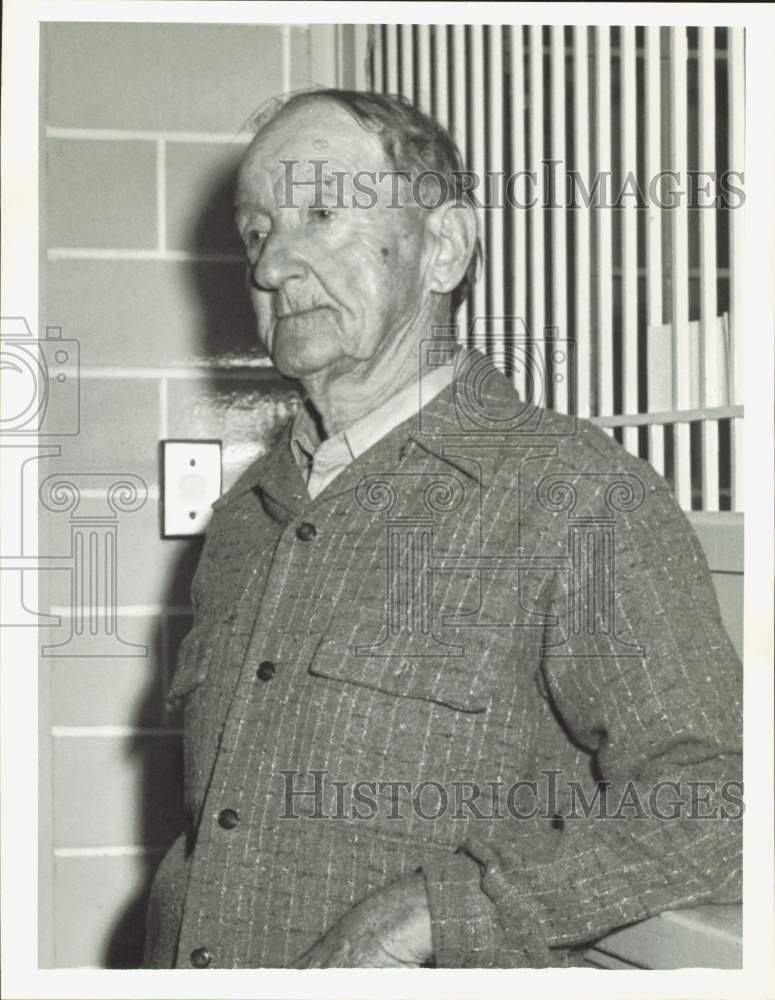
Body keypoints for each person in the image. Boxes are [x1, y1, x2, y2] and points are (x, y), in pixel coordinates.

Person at [141, 89, 742, 970]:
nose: (272, 267)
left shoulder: (573, 495)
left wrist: (440, 910)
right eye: (257, 231)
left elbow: (720, 800)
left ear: (445, 248)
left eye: (320, 213)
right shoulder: (242, 522)